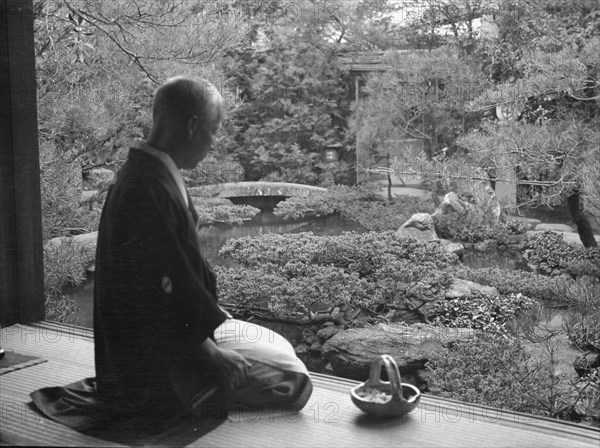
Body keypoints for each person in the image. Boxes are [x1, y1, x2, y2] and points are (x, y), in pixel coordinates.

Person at [31, 76, 312, 431]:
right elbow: (152, 290)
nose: (214, 142)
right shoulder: (147, 187)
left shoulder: (146, 173)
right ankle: (189, 397)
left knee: (277, 354)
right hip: (153, 367)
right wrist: (211, 355)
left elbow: (171, 274)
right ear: (193, 125)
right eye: (215, 130)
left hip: (152, 348)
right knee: (296, 383)